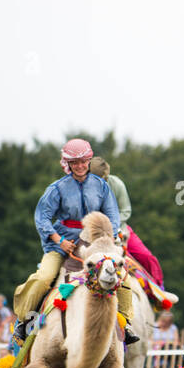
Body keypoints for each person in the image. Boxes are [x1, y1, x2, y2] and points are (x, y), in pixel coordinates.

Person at [11, 138, 135, 347]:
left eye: (83, 161)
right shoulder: (56, 188)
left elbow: (113, 216)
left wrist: (109, 238)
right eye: (74, 162)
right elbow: (42, 218)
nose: (79, 166)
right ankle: (25, 321)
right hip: (63, 242)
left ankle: (126, 323)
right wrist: (59, 241)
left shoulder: (102, 187)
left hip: (95, 243)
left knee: (122, 276)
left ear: (88, 160)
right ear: (67, 164)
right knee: (44, 278)